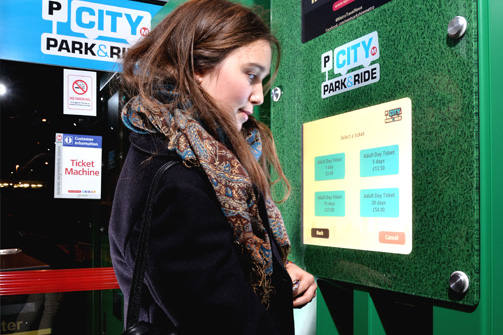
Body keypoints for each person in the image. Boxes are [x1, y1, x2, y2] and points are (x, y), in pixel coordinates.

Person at [108, 0, 317, 334]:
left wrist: (280, 273)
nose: (259, 95)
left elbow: (221, 270)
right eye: (250, 75)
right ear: (197, 69)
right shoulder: (176, 181)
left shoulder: (194, 158)